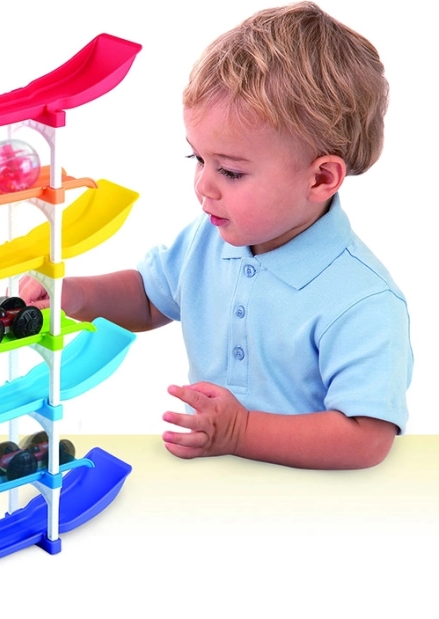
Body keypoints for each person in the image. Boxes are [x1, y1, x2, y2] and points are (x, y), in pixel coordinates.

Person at [20, 1, 413, 470]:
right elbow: (149, 298)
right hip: (214, 481)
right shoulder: (208, 240)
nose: (203, 185)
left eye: (230, 171)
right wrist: (76, 296)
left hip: (311, 498)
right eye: (198, 159)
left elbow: (367, 438)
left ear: (321, 178)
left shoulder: (363, 300)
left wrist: (240, 431)